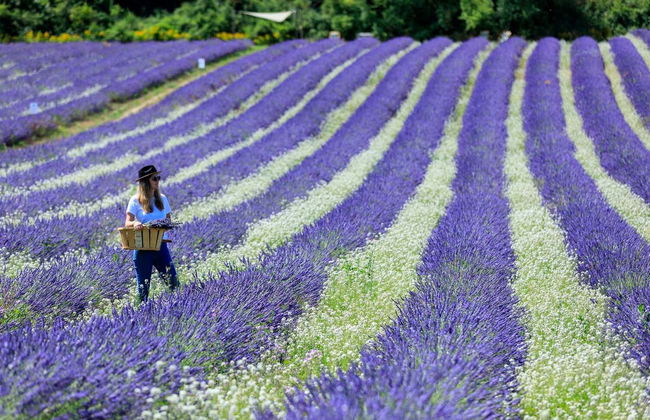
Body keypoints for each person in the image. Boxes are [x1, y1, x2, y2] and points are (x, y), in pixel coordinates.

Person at [124, 165, 178, 303]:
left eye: (158, 178)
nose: (158, 181)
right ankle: (142, 314)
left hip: (161, 247)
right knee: (143, 289)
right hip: (143, 248)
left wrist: (163, 225)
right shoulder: (135, 200)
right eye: (154, 178)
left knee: (173, 283)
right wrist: (135, 223)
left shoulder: (163, 199)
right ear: (145, 181)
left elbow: (168, 221)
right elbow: (127, 223)